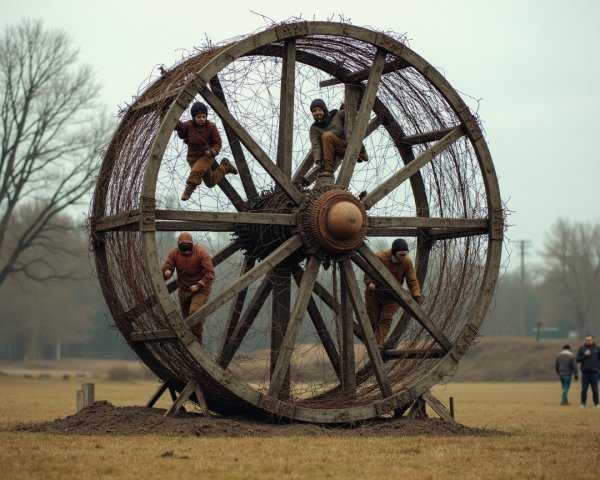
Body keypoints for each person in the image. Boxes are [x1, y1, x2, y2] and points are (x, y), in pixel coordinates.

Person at [363, 238, 421, 348]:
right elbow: (368, 271)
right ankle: (370, 342)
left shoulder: (407, 262)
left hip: (393, 295)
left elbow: (412, 279)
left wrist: (416, 293)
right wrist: (369, 283)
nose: (403, 257)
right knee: (372, 319)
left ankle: (378, 345)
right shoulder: (380, 257)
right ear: (394, 252)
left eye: (405, 254)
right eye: (401, 254)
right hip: (375, 292)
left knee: (386, 318)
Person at [175, 101, 238, 201]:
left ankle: (189, 188)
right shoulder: (188, 125)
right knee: (210, 182)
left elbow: (217, 142)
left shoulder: (211, 126)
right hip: (192, 157)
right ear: (194, 117)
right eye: (199, 117)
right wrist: (168, 112)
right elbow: (179, 126)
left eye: (204, 116)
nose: (201, 119)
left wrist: (213, 151)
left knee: (196, 172)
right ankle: (225, 167)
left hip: (206, 156)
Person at [162, 232, 215, 343]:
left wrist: (198, 285)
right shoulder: (174, 253)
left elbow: (210, 274)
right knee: (186, 320)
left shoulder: (201, 253)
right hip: (184, 289)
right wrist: (167, 272)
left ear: (192, 244)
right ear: (178, 244)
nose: (185, 247)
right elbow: (168, 266)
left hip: (201, 289)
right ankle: (188, 345)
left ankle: (197, 345)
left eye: (188, 244)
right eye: (182, 244)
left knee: (194, 313)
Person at [308, 99, 368, 177]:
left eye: (319, 110)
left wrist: (362, 113)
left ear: (324, 109)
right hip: (333, 150)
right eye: (314, 111)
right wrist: (318, 162)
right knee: (326, 137)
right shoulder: (314, 128)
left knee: (326, 136)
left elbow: (352, 115)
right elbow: (316, 145)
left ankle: (361, 150)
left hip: (345, 141)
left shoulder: (336, 114)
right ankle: (328, 170)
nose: (317, 113)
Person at [575, 334, 600, 407]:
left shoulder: (597, 349)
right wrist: (584, 355)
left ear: (592, 340)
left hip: (595, 373)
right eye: (587, 340)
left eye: (590, 340)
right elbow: (577, 359)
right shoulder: (581, 349)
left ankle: (597, 403)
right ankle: (583, 403)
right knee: (584, 389)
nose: (588, 341)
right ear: (585, 340)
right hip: (585, 373)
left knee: (595, 389)